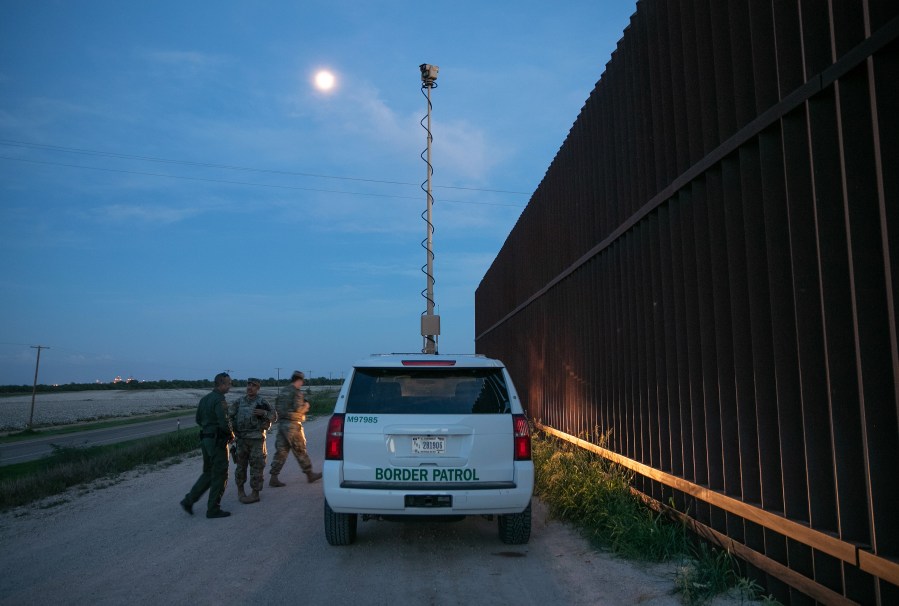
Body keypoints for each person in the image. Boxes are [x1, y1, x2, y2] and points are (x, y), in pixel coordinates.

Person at [180, 372, 235, 519]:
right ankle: (213, 509)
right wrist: (231, 434)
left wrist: (208, 429)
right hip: (217, 442)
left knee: (209, 472)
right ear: (221, 384)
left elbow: (198, 419)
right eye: (229, 383)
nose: (230, 386)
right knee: (220, 474)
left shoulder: (204, 399)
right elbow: (224, 422)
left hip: (205, 440)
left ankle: (189, 500)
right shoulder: (219, 400)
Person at [228, 378, 277, 504]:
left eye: (253, 386)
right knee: (240, 466)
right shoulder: (239, 401)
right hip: (242, 440)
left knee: (257, 466)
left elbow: (274, 416)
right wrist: (231, 433)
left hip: (257, 440)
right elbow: (229, 416)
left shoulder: (262, 401)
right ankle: (241, 491)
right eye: (248, 385)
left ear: (258, 388)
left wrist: (264, 413)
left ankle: (255, 493)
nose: (250, 388)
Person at [269, 370, 322, 486]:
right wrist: (306, 406)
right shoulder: (296, 392)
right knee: (300, 450)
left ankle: (274, 476)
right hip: (292, 425)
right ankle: (310, 474)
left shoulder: (283, 391)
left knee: (281, 451)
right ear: (299, 380)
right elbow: (298, 409)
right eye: (302, 381)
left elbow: (277, 407)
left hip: (282, 425)